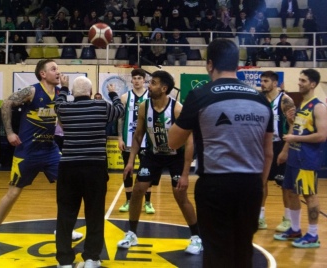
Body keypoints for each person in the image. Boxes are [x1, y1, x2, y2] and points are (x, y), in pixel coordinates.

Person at [168, 38, 273, 267]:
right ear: (237, 64)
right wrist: (259, 183)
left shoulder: (200, 95)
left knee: (216, 251)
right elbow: (268, 153)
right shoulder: (261, 100)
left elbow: (173, 142)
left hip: (215, 186)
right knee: (243, 249)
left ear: (209, 64)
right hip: (251, 186)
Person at [0, 59, 82, 248]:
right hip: (27, 151)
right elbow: (6, 104)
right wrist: (10, 132)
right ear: (43, 74)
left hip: (50, 150)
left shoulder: (59, 95)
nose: (58, 71)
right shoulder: (31, 91)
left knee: (68, 186)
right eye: (53, 69)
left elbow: (60, 121)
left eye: (58, 68)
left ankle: (63, 228)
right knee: (13, 193)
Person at [117, 70, 202, 256]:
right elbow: (138, 135)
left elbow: (189, 143)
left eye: (153, 83)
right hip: (153, 154)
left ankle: (197, 236)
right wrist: (130, 162)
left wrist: (187, 173)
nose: (149, 85)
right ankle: (131, 233)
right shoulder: (143, 106)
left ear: (164, 89)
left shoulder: (177, 109)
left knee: (180, 195)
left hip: (175, 157)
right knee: (138, 189)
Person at [54, 76, 124, 268]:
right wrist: (112, 93)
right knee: (94, 214)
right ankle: (92, 258)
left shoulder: (64, 108)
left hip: (69, 167)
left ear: (73, 94)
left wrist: (65, 88)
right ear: (92, 92)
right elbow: (120, 110)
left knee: (66, 214)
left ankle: (65, 261)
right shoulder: (102, 106)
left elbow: (58, 101)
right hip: (95, 167)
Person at [274, 69, 327, 248]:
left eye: (303, 80)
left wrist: (295, 138)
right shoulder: (303, 104)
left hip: (308, 160)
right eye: (299, 79)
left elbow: (322, 136)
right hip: (294, 157)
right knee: (290, 192)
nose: (299, 83)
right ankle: (295, 229)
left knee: (309, 195)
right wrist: (291, 124)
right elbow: (297, 131)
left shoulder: (318, 107)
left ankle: (312, 235)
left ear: (313, 84)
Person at [258, 71, 295, 232]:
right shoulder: (259, 99)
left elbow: (294, 125)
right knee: (261, 182)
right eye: (261, 81)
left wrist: (286, 150)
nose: (262, 84)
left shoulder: (285, 100)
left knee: (285, 184)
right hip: (263, 146)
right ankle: (260, 218)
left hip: (280, 144)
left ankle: (287, 219)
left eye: (266, 81)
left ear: (275, 83)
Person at [117, 68, 154, 213]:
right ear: (131, 80)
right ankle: (128, 200)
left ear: (144, 80)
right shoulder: (125, 97)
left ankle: (148, 202)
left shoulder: (150, 97)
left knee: (146, 171)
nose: (137, 81)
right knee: (127, 170)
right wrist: (120, 138)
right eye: (135, 78)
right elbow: (120, 119)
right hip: (128, 139)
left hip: (147, 141)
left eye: (140, 78)